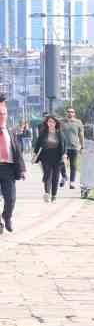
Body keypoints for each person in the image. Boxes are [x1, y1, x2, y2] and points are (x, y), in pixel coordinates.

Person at [0, 96, 26, 234]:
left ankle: (7, 216)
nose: (2, 116)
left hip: (8, 168)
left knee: (10, 198)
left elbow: (18, 152)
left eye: (4, 113)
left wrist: (22, 169)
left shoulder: (10, 132)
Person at [33, 115, 65, 201]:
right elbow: (38, 145)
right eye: (49, 122)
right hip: (46, 157)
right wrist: (35, 155)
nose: (51, 123)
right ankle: (47, 192)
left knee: (55, 177)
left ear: (55, 123)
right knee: (47, 175)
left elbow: (63, 146)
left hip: (57, 157)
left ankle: (54, 195)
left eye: (53, 122)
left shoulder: (59, 133)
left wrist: (64, 156)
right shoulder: (43, 132)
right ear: (47, 123)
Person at [60, 107, 84, 188]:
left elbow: (81, 135)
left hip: (74, 147)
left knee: (73, 165)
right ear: (66, 113)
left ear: (74, 113)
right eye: (68, 112)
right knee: (62, 163)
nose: (70, 113)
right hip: (64, 147)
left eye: (72, 112)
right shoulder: (62, 122)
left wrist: (82, 146)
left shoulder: (78, 122)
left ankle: (72, 182)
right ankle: (64, 176)